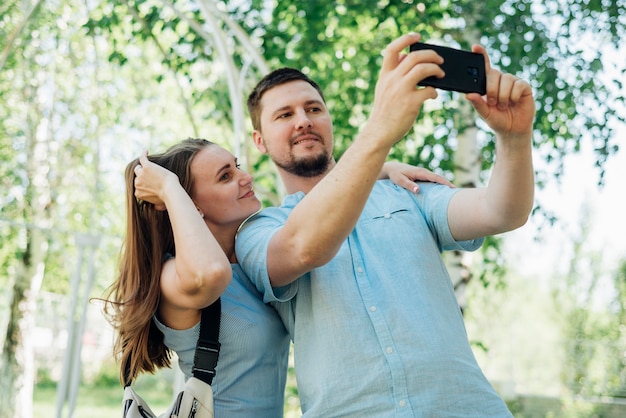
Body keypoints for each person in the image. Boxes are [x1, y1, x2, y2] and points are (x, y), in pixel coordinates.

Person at [235, 33, 535, 417]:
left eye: (314, 109)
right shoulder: (260, 229)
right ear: (259, 141)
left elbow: (501, 212)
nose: (304, 121)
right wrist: (380, 131)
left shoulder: (405, 190)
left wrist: (514, 137)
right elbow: (303, 248)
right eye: (284, 115)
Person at [102, 137, 452, 417]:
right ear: (191, 204)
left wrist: (379, 169)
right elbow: (211, 273)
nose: (245, 177)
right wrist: (168, 188)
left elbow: (318, 213)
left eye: (236, 166)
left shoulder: (255, 263)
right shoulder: (173, 277)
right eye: (225, 176)